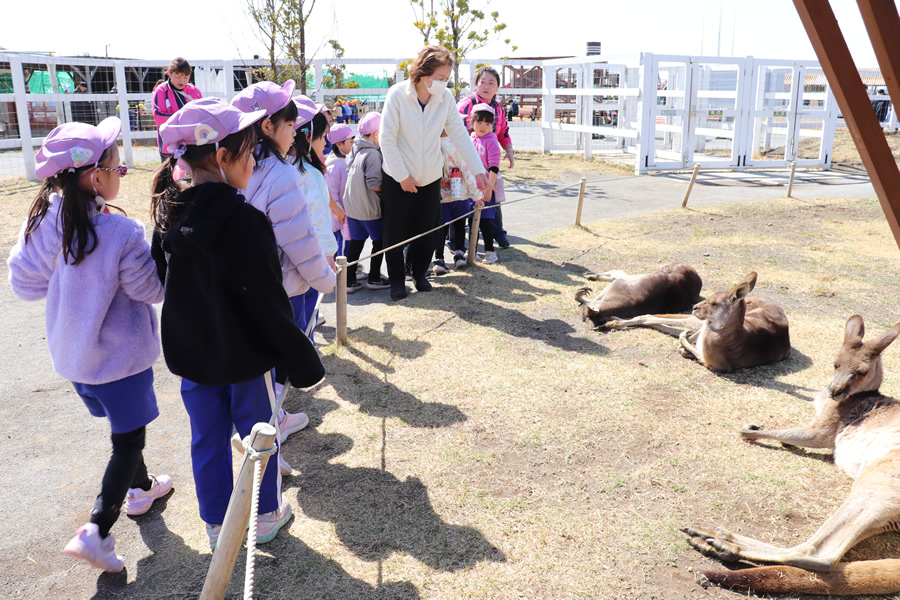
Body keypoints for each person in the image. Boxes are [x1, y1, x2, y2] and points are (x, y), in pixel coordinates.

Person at [150, 98, 324, 549]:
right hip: (246, 358)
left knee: (207, 439)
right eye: (248, 154)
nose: (253, 162)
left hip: (194, 357)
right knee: (258, 437)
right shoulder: (247, 220)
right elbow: (267, 302)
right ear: (224, 158)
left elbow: (165, 281)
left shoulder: (169, 213)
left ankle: (215, 524)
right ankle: (264, 514)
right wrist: (301, 358)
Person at [8, 117, 172, 572]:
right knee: (128, 438)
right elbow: (151, 290)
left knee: (125, 428)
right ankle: (97, 530)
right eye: (118, 168)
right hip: (120, 361)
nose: (121, 174)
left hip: (75, 359)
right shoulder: (120, 233)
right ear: (94, 176)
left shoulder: (43, 224)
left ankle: (142, 488)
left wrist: (66, 285)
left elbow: (23, 282)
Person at [232, 81, 333, 470]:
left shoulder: (235, 162)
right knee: (274, 368)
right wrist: (326, 278)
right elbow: (300, 240)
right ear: (268, 126)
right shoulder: (281, 173)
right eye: (292, 126)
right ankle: (264, 445)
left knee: (259, 371)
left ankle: (270, 425)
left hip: (242, 287)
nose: (296, 134)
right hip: (282, 286)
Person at [379, 45, 490, 300]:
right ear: (422, 73)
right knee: (394, 232)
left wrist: (478, 171)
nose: (443, 83)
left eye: (446, 79)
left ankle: (419, 274)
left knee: (428, 230)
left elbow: (460, 135)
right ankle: (397, 280)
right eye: (440, 78)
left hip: (430, 176)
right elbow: (386, 140)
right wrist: (402, 177)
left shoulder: (445, 98)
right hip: (398, 177)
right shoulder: (397, 94)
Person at [290, 97, 338, 341]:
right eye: (324, 135)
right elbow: (319, 220)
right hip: (309, 257)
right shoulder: (310, 174)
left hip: (283, 260)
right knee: (304, 315)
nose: (327, 141)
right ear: (308, 137)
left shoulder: (282, 167)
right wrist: (328, 255)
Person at [457, 65, 515, 248]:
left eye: (491, 83)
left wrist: (509, 149)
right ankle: (456, 242)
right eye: (483, 82)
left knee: (491, 198)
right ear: (476, 84)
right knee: (462, 201)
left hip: (488, 163)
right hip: (464, 164)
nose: (486, 86)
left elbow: (502, 131)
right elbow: (454, 131)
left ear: (498, 87)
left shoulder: (498, 109)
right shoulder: (466, 104)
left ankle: (498, 235)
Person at [342, 112, 390, 292]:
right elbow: (374, 184)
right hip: (369, 209)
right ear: (377, 134)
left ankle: (349, 280)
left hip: (353, 208)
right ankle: (374, 278)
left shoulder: (356, 151)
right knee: (380, 242)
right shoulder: (372, 154)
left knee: (356, 243)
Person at [435, 126, 481, 273]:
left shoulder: (431, 145)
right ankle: (459, 254)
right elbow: (467, 171)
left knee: (441, 227)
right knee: (459, 225)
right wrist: (476, 195)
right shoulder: (455, 145)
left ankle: (439, 258)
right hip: (459, 192)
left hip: (440, 194)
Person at [468, 103, 502, 264]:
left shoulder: (491, 140)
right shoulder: (469, 139)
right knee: (470, 220)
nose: (483, 127)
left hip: (485, 188)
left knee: (485, 221)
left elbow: (494, 166)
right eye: (479, 123)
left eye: (487, 124)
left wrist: (489, 189)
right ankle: (472, 251)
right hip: (470, 188)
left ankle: (490, 251)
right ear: (472, 122)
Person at [151, 57, 202, 162]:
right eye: (178, 76)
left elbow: (202, 114)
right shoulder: (161, 91)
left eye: (186, 77)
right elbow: (158, 117)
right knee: (170, 177)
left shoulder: (194, 91)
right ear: (169, 73)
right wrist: (184, 117)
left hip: (192, 143)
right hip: (169, 146)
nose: (182, 81)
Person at [324, 123, 353, 258]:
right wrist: (337, 210)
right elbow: (331, 190)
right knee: (340, 244)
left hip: (341, 213)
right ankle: (341, 275)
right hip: (337, 215)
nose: (353, 144)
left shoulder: (342, 161)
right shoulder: (336, 165)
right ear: (339, 144)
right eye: (351, 141)